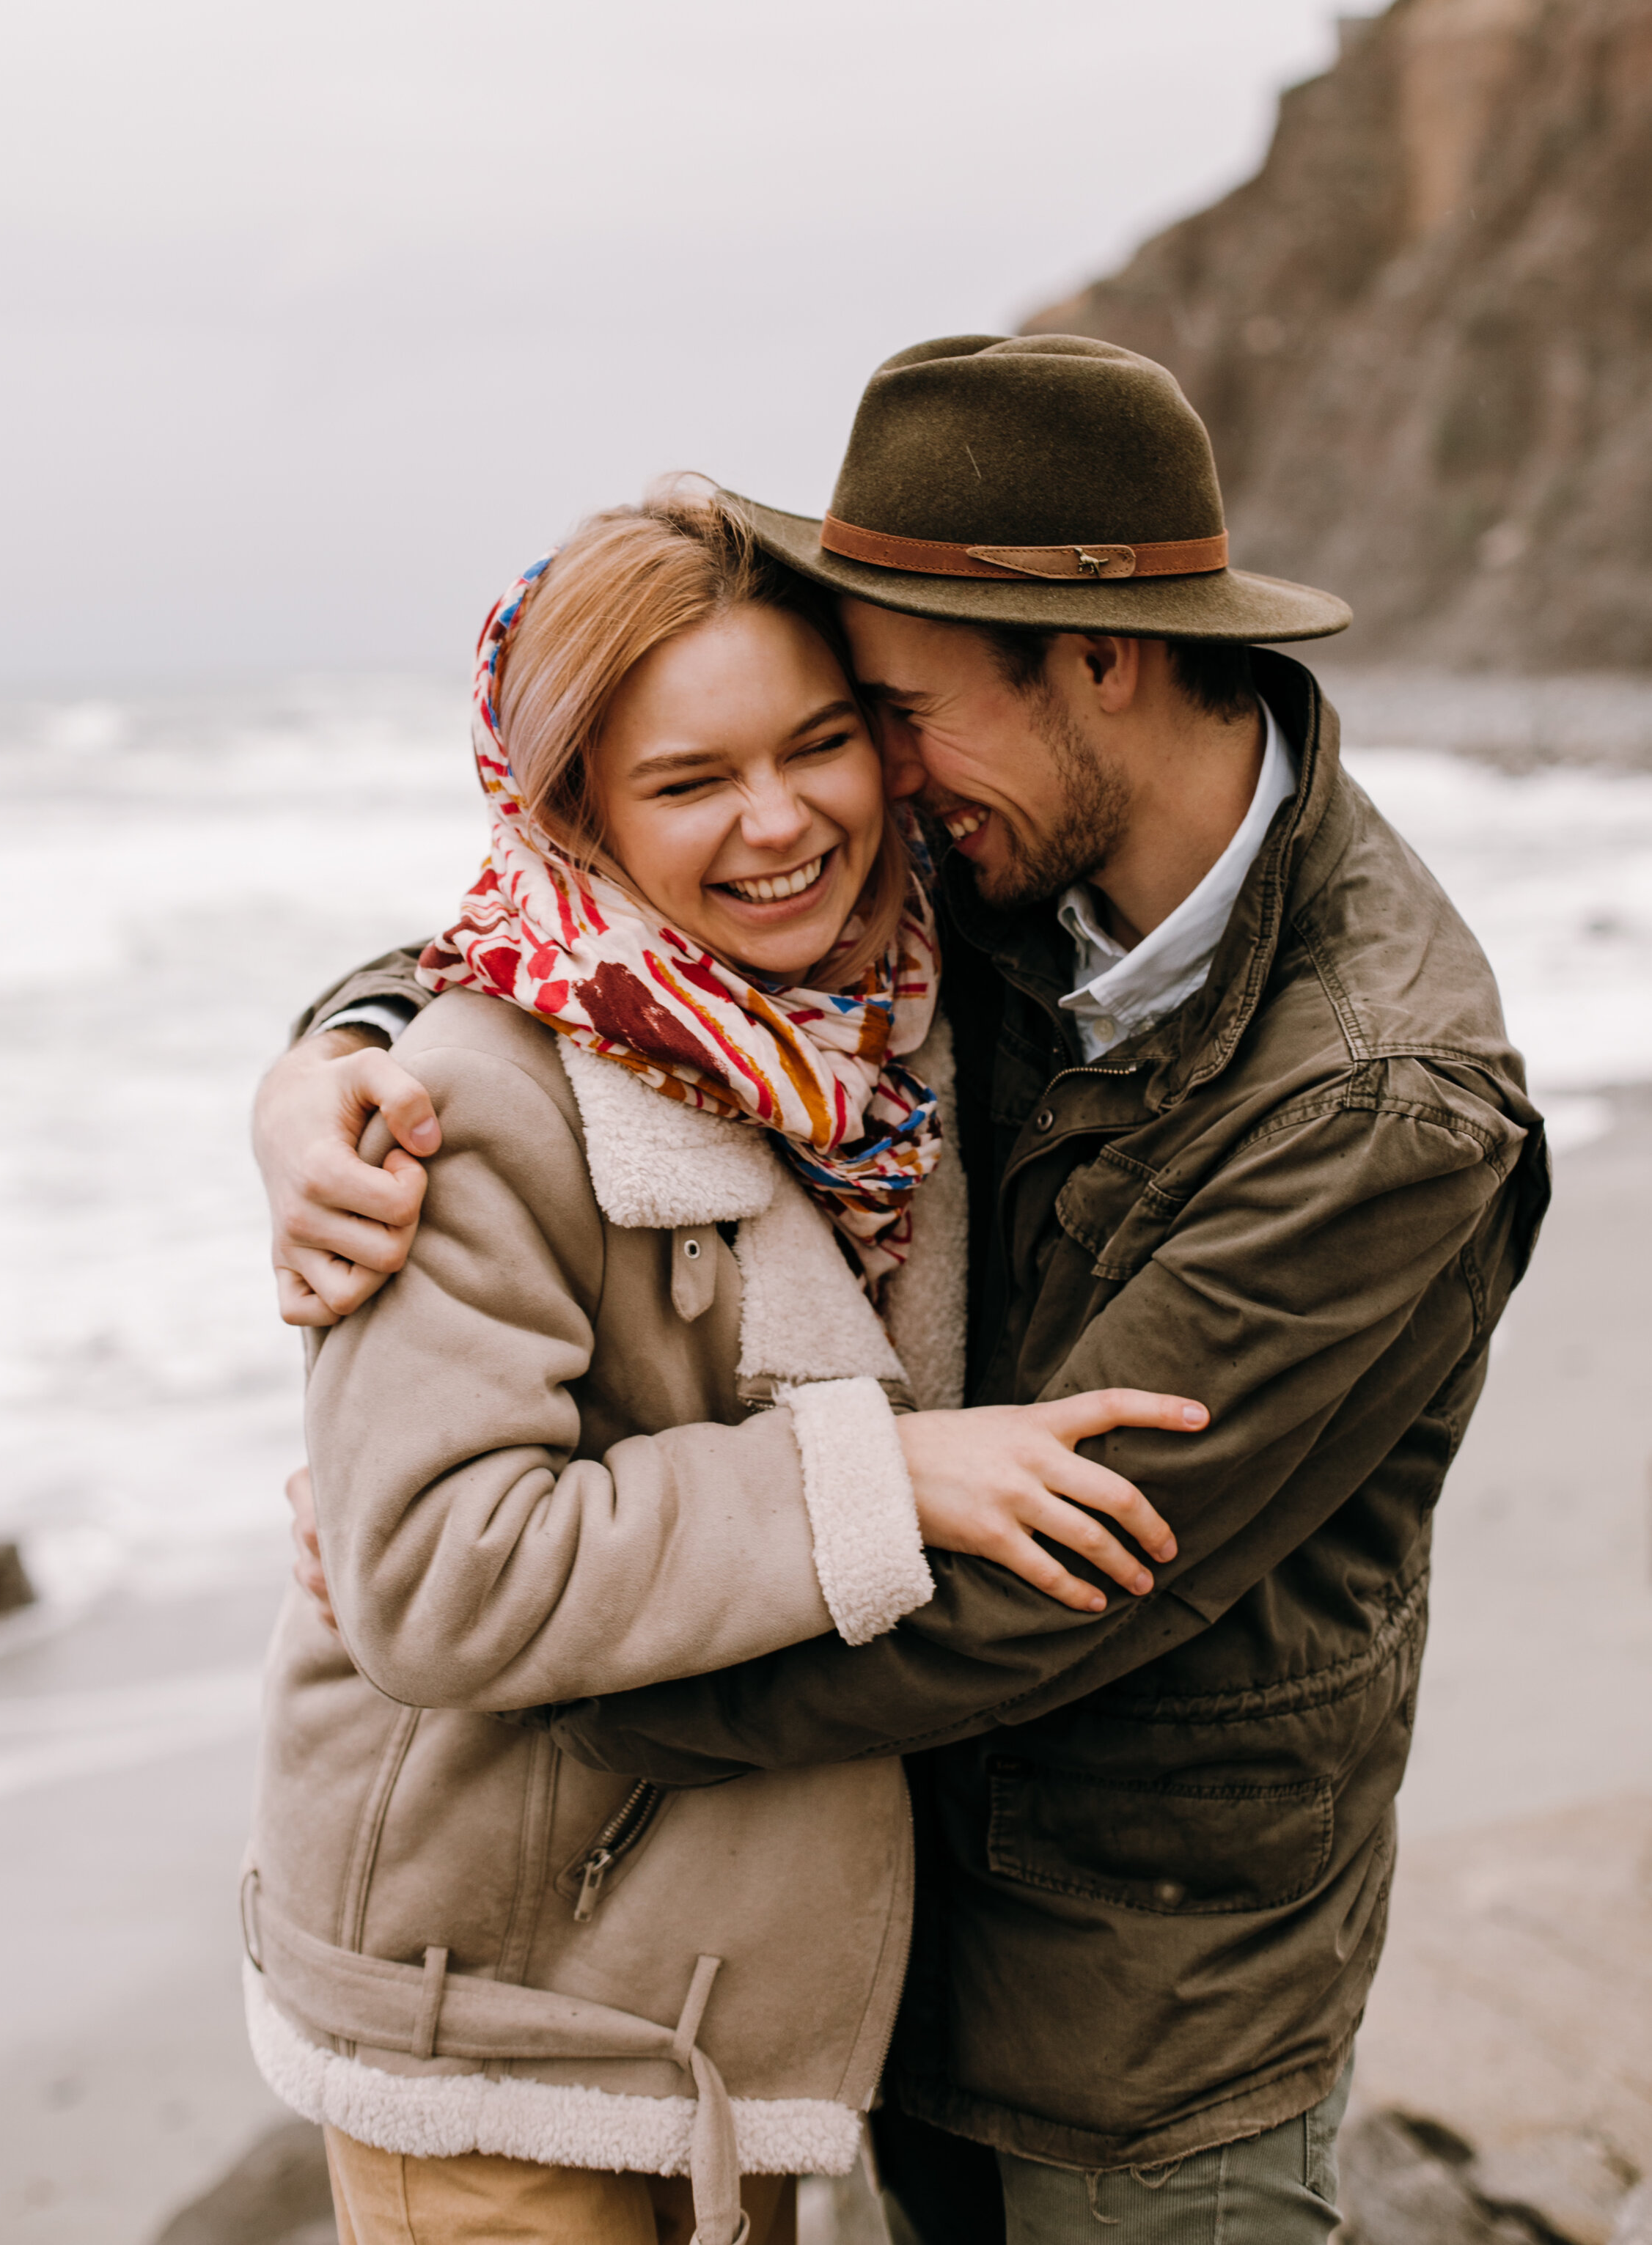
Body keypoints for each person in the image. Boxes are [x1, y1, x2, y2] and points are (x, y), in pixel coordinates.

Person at [259, 335, 1548, 2245]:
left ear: (1093, 662)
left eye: (883, 716)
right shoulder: (980, 864)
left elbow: (1044, 1579)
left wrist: (514, 1661)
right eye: (851, 718)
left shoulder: (1370, 1099)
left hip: (1149, 1995)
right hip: (863, 1949)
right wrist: (331, 1054)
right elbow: (573, 934)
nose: (844, 795)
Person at [245, 485, 1207, 2245]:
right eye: (690, 783)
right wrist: (879, 1478)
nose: (780, 823)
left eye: (820, 744)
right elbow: (433, 1578)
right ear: (575, 812)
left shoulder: (889, 1019)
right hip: (502, 2025)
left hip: (718, 1985)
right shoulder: (463, 1101)